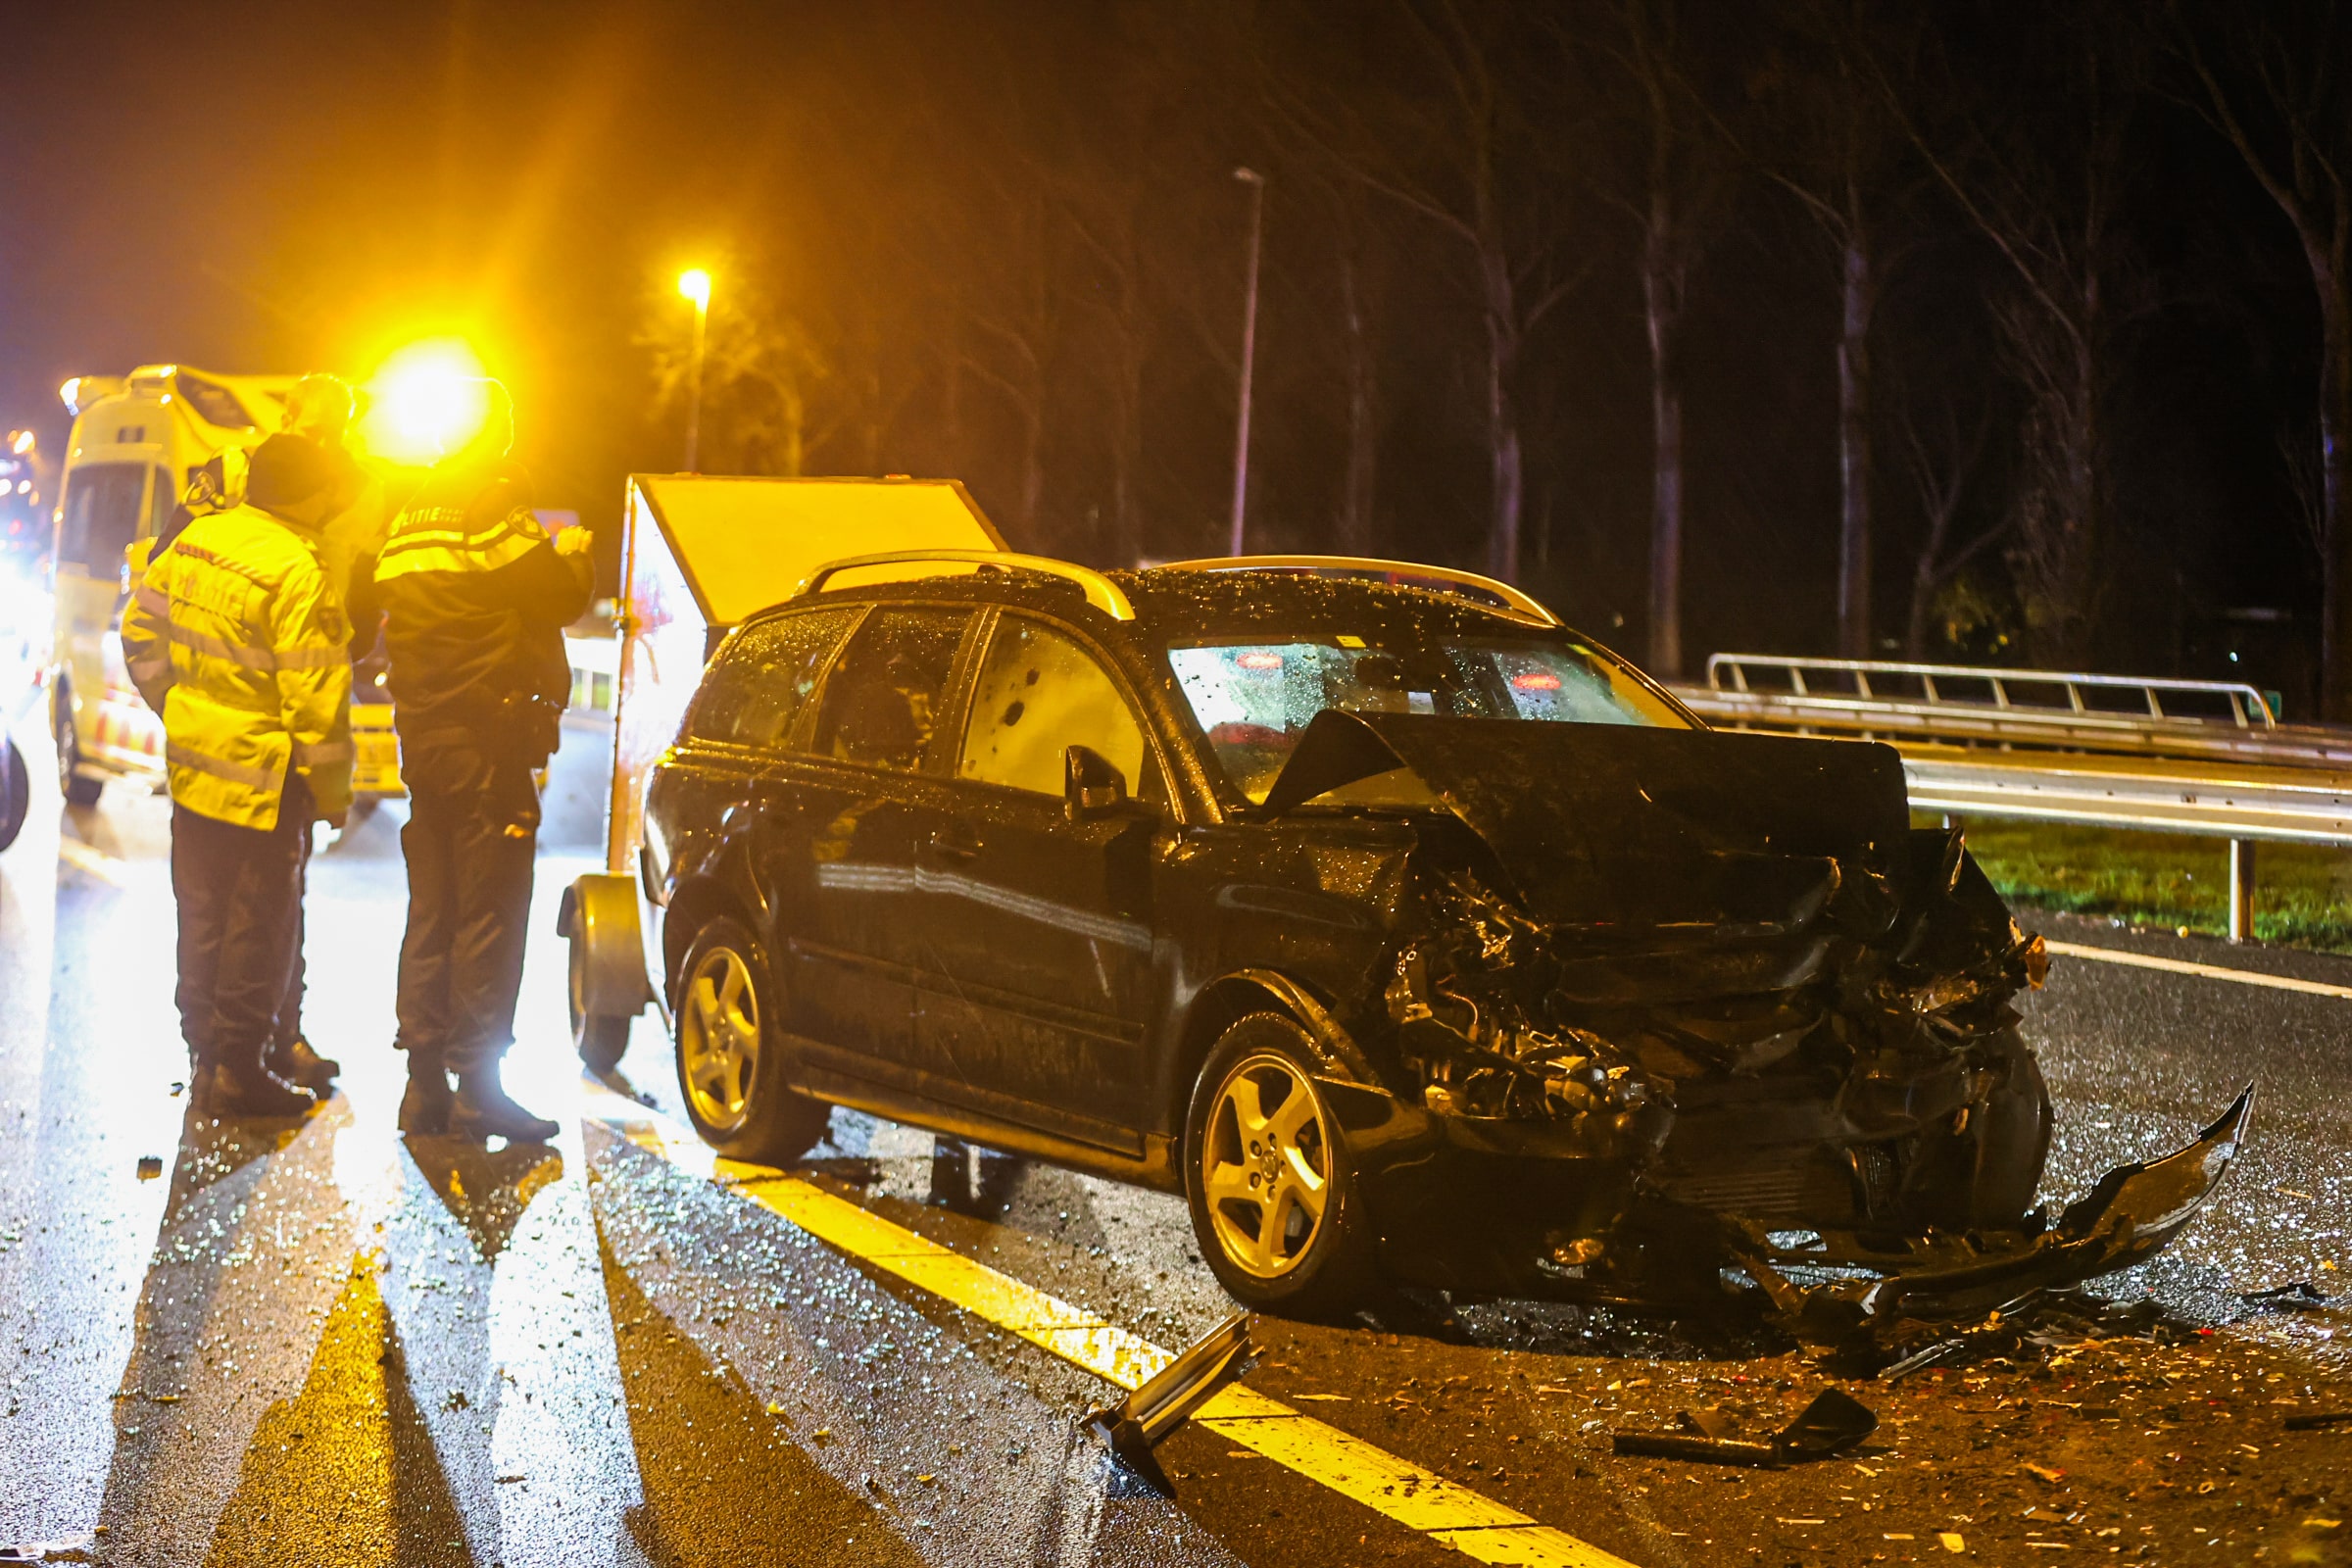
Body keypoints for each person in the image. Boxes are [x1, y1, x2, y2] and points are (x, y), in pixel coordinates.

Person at [351, 380, 592, 1142]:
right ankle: (478, 1089)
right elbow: (555, 597)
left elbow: (373, 601)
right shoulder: (492, 507)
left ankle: (422, 1087)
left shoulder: (407, 515)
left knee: (433, 908)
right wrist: (574, 558)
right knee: (489, 912)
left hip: (423, 739)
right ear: (499, 436)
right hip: (488, 740)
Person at [120, 433, 356, 1117]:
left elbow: (139, 633)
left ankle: (204, 1059)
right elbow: (317, 707)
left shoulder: (197, 541)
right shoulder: (296, 572)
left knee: (201, 918)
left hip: (194, 772)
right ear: (311, 494)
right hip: (263, 784)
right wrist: (333, 797)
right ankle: (239, 1071)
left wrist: (177, 705)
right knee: (257, 926)